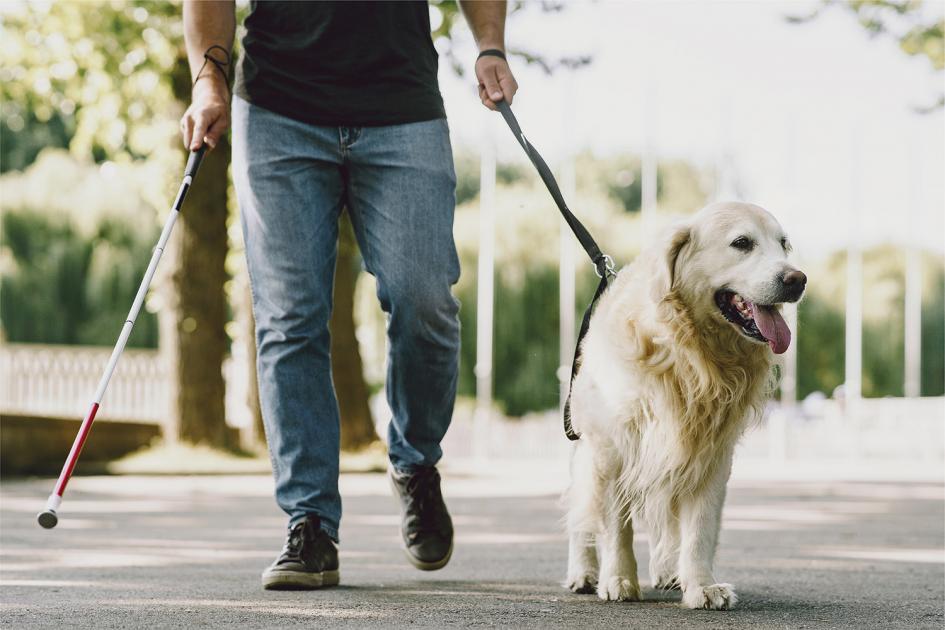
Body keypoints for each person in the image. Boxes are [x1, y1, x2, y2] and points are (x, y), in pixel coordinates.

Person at [180, 1, 518, 590]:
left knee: (424, 300)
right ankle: (309, 522)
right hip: (278, 107)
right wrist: (209, 76)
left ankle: (415, 462)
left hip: (402, 107)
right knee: (289, 319)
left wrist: (490, 43)